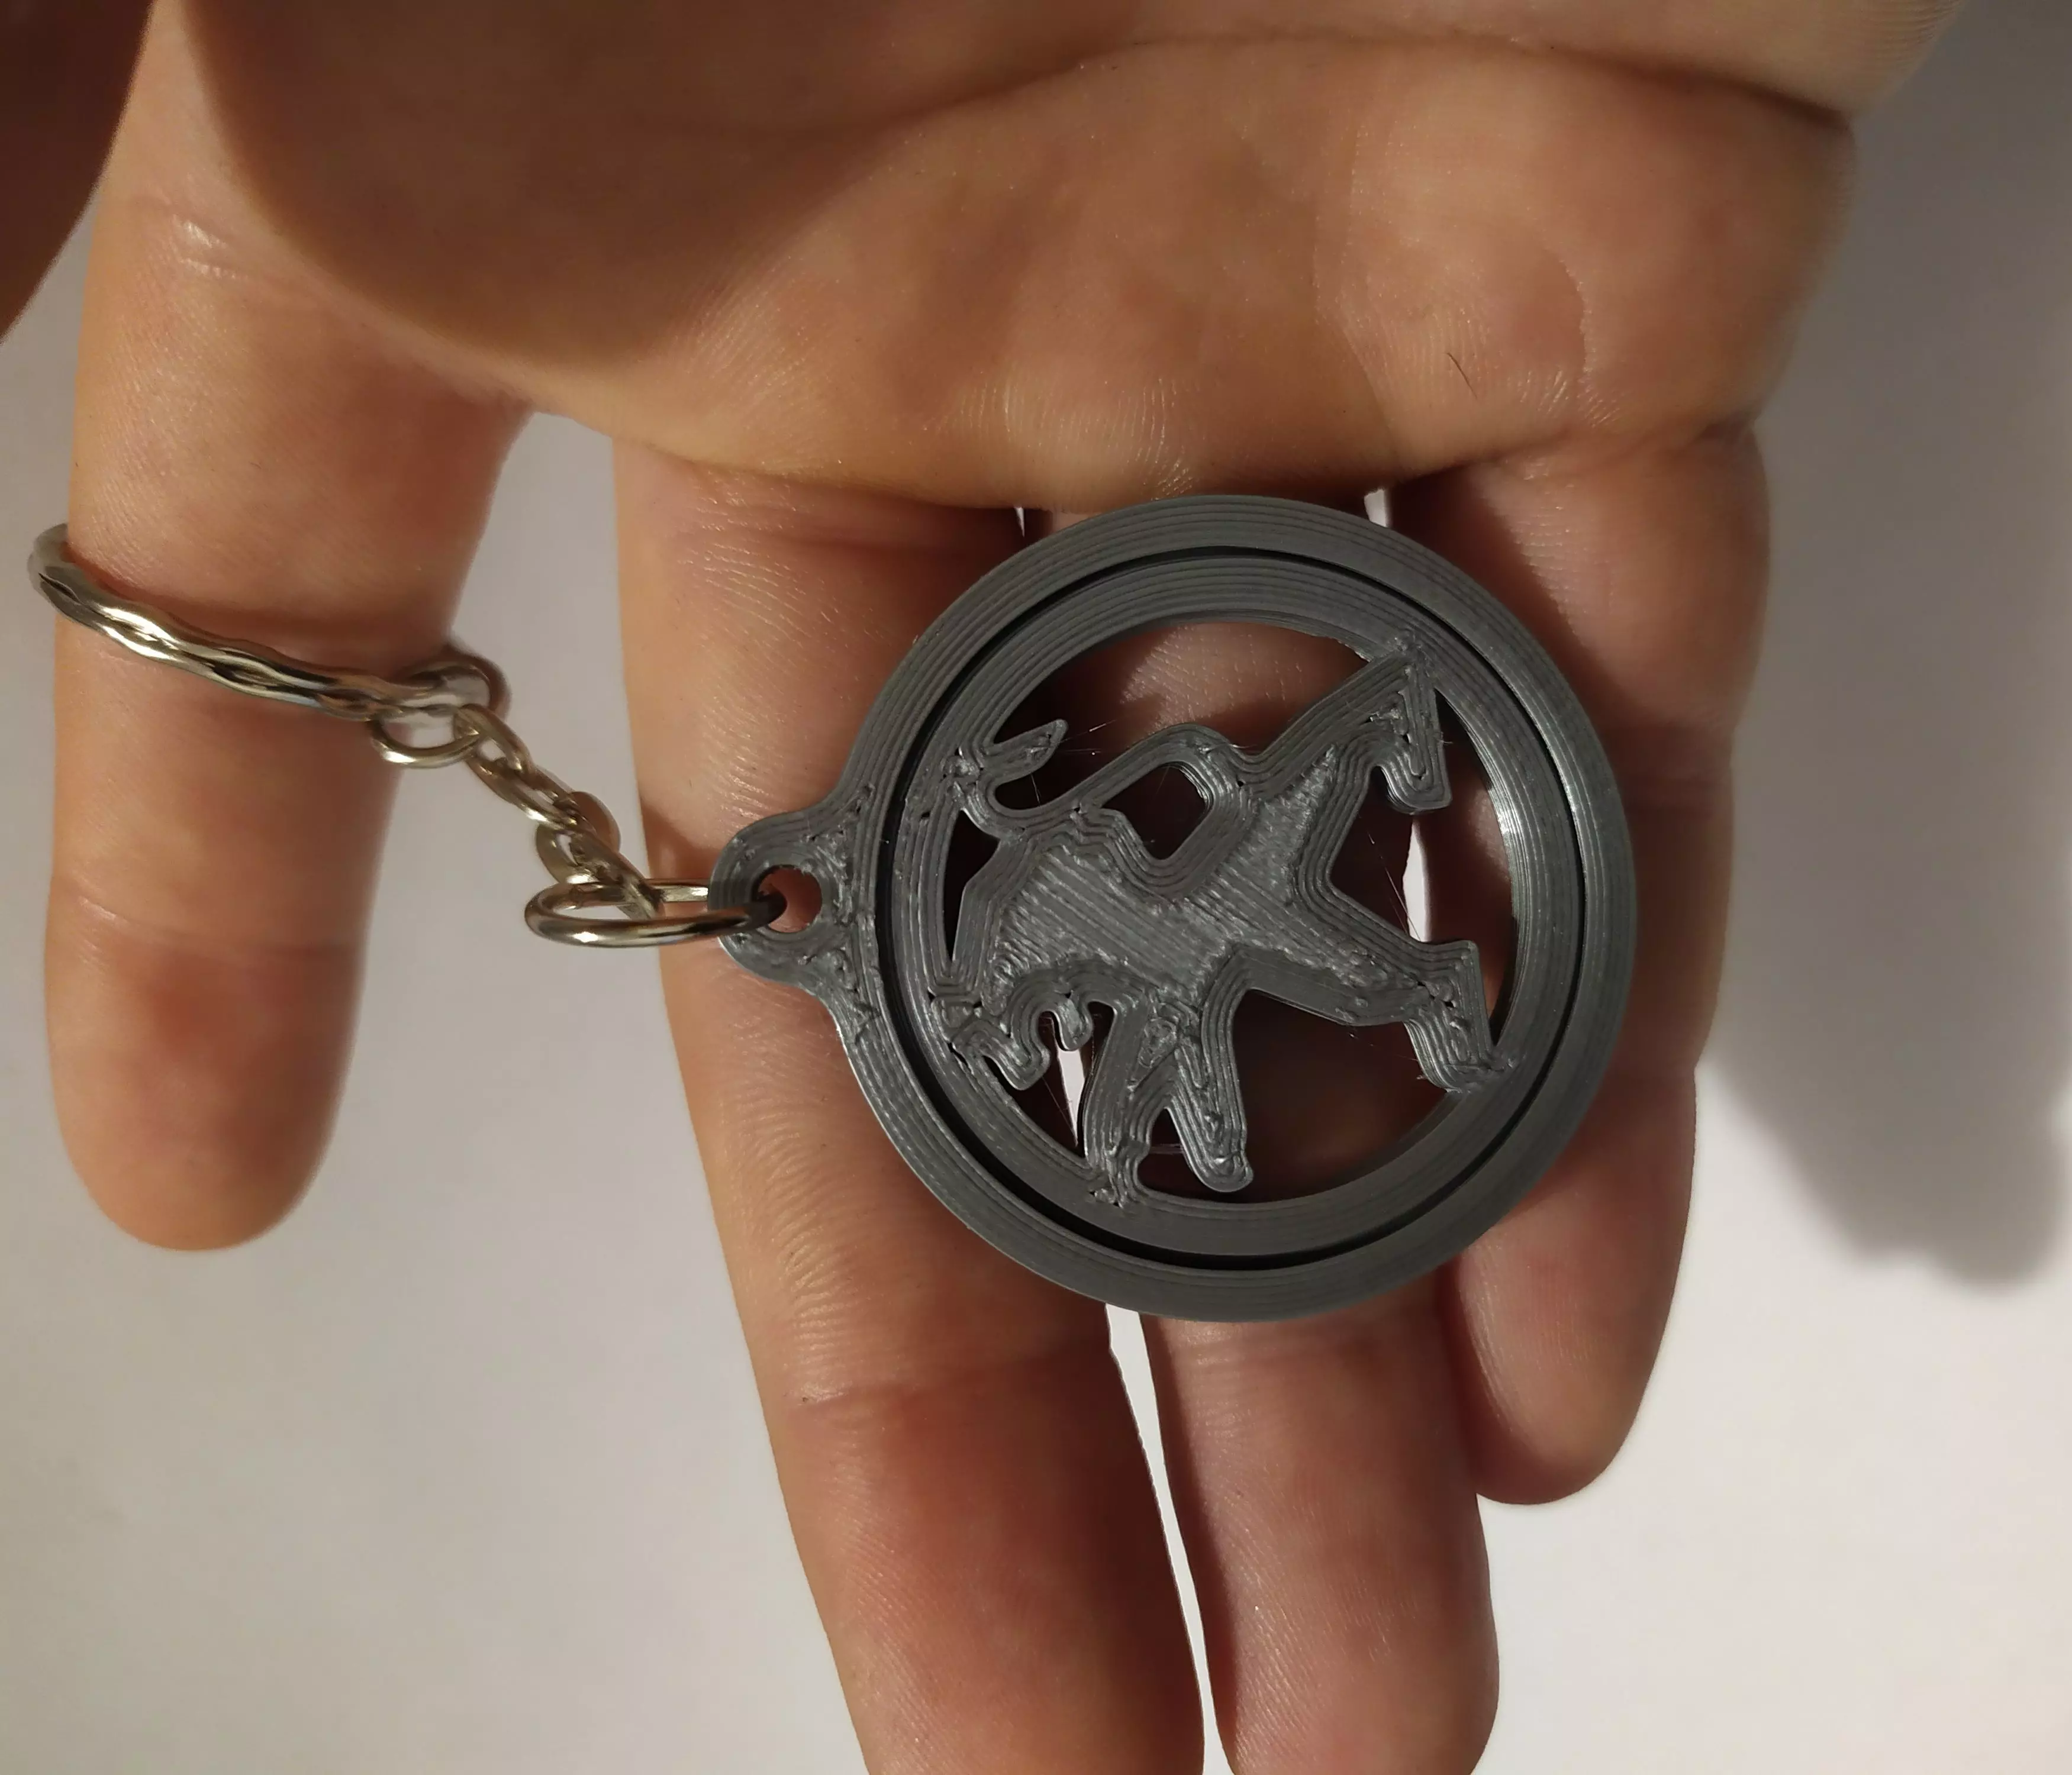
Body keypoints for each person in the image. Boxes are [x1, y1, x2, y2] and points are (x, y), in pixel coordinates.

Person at [5, 5, 1960, 1771]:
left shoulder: (1093, 870)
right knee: (1286, 957)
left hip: (1211, 891)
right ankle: (1405, 939)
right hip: (1196, 914)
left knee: (1289, 933)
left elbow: (1163, 857)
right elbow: (1138, 954)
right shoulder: (1051, 920)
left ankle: (1399, 909)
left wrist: (1189, 899)